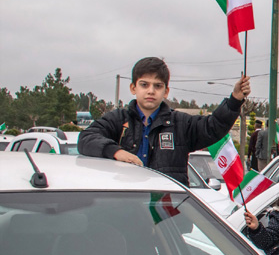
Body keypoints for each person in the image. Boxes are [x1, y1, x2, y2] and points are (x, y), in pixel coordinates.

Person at [78, 57, 250, 185]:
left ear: (166, 91)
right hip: (125, 210)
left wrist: (235, 100)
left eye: (158, 86)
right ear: (133, 88)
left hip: (167, 215)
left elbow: (213, 126)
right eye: (144, 85)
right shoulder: (117, 119)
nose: (151, 91)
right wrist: (115, 152)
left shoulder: (181, 124)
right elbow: (86, 138)